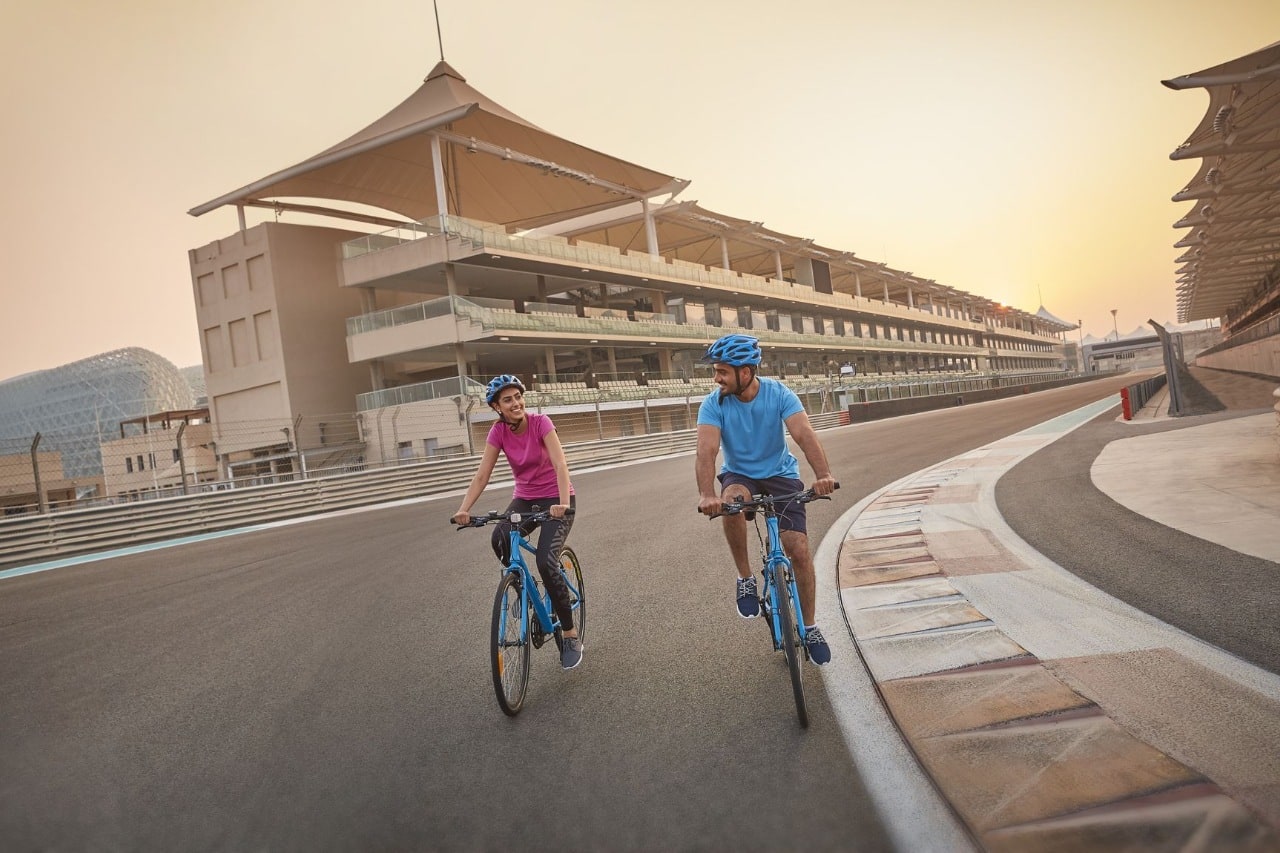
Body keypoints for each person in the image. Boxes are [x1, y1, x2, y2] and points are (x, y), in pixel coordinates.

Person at [694, 335, 837, 665]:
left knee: (798, 550)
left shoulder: (779, 393)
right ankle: (745, 578)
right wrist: (707, 495)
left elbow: (804, 435)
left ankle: (811, 626)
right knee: (730, 501)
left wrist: (823, 475)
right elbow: (706, 451)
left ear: (746, 372)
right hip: (740, 475)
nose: (717, 378)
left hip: (780, 474)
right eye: (716, 371)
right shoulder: (713, 404)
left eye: (722, 372)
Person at [452, 374, 583, 670]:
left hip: (556, 499)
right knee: (499, 538)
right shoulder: (498, 432)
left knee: (546, 561)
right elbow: (482, 474)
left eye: (518, 397)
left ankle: (570, 632)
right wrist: (464, 509)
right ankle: (526, 590)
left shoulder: (541, 423)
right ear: (497, 407)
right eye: (508, 400)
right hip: (525, 499)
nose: (516, 403)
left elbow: (561, 464)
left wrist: (562, 504)